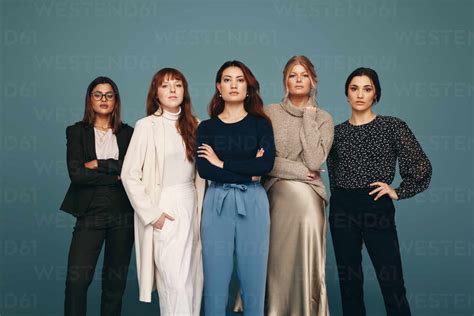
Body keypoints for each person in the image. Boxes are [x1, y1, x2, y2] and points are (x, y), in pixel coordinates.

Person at [327, 67, 432, 316]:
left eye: (367, 88)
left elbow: (421, 165)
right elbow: (333, 171)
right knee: (349, 284)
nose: (360, 94)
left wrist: (398, 191)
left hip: (375, 204)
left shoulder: (392, 127)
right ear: (347, 94)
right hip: (342, 206)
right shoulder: (336, 133)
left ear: (376, 94)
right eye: (354, 88)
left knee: (392, 283)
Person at [121, 68, 204, 315]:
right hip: (164, 207)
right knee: (173, 282)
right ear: (156, 94)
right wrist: (152, 214)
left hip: (193, 206)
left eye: (178, 85)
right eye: (166, 86)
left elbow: (204, 171)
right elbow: (129, 174)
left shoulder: (196, 125)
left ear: (184, 92)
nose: (172, 90)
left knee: (193, 280)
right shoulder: (146, 126)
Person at [195, 60, 276, 315]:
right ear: (219, 87)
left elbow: (265, 165)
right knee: (215, 281)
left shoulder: (260, 124)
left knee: (254, 279)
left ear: (248, 87)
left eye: (240, 80)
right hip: (216, 201)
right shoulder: (206, 127)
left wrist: (222, 162)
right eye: (227, 80)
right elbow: (204, 170)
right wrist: (247, 169)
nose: (234, 85)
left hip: (253, 202)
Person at [262, 55, 333, 315]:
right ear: (285, 81)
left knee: (307, 264)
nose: (299, 80)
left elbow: (316, 159)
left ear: (313, 80)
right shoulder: (269, 113)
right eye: (293, 75)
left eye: (304, 75)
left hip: (310, 201)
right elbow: (266, 162)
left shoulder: (324, 118)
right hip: (277, 196)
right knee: (277, 263)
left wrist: (308, 118)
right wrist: (303, 171)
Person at [60, 76, 134, 316]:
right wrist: (115, 172)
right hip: (90, 213)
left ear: (116, 101)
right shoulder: (76, 131)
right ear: (89, 99)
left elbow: (131, 171)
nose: (104, 99)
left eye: (109, 95)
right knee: (76, 282)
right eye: (98, 94)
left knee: (114, 286)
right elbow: (77, 174)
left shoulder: (129, 134)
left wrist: (97, 164)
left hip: (122, 214)